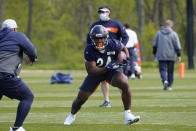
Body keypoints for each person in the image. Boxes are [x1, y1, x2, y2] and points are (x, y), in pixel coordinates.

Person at [64, 25, 140, 125]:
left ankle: (128, 115)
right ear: (92, 39)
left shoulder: (113, 43)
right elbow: (91, 71)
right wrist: (107, 67)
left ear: (106, 37)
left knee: (124, 82)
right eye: (96, 38)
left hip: (112, 71)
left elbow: (124, 48)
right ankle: (72, 115)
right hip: (96, 73)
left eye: (102, 38)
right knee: (81, 98)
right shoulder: (89, 49)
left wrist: (127, 59)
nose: (99, 41)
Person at [86, 6, 129, 107]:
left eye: (104, 12)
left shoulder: (116, 23)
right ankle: (107, 101)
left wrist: (121, 49)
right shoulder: (95, 25)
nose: (101, 13)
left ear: (108, 13)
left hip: (114, 54)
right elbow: (89, 40)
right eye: (100, 12)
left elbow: (125, 37)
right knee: (102, 77)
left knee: (119, 77)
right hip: (100, 55)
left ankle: (125, 96)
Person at [0, 19, 38, 131]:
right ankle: (17, 128)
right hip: (5, 76)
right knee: (27, 97)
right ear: (14, 29)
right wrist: (32, 58)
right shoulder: (18, 36)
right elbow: (32, 50)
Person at [153, 20, 181, 90]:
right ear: (171, 25)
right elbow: (177, 45)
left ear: (165, 25)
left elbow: (154, 45)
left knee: (162, 70)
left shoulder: (158, 33)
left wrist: (154, 53)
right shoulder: (174, 34)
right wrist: (178, 55)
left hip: (161, 55)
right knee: (170, 71)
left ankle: (165, 80)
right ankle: (169, 85)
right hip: (171, 56)